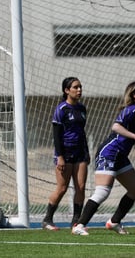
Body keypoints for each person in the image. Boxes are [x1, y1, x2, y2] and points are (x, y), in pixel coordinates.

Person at [72, 80, 135, 236]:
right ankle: (79, 226)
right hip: (109, 153)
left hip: (121, 156)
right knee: (102, 192)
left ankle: (114, 222)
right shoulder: (130, 110)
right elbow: (115, 126)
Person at [42, 77, 90, 230]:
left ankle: (76, 222)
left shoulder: (82, 108)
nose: (79, 90)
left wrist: (87, 152)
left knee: (81, 187)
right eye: (75, 87)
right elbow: (56, 136)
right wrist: (60, 157)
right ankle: (47, 220)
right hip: (65, 153)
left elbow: (82, 132)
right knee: (62, 188)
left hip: (80, 152)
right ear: (66, 90)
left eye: (80, 87)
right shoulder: (61, 109)